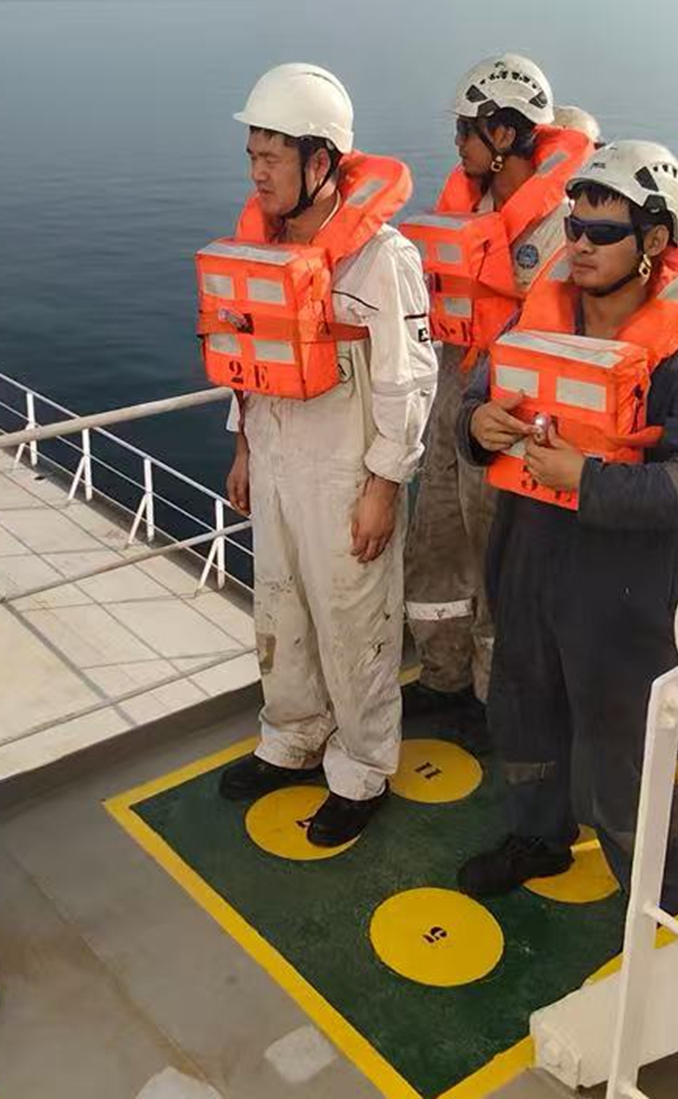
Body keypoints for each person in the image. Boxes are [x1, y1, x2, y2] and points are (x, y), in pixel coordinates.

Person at [454, 140, 678, 898]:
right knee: (523, 711)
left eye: (602, 233)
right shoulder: (534, 326)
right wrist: (476, 427)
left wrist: (591, 481)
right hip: (525, 562)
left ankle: (659, 899)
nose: (578, 244)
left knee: (624, 750)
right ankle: (537, 836)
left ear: (652, 243)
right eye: (574, 227)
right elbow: (472, 401)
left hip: (621, 591)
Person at [210, 64, 437, 846]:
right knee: (279, 607)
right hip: (273, 462)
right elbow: (242, 359)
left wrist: (384, 484)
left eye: (272, 156)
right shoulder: (262, 252)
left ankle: (363, 765)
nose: (257, 172)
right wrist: (242, 447)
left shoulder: (383, 260)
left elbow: (410, 382)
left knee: (352, 625)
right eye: (252, 156)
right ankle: (292, 736)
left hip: (347, 473)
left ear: (321, 162)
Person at [401, 53, 592, 733]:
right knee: (437, 535)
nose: (456, 146)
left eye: (465, 131)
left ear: (504, 133)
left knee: (498, 555)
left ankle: (497, 695)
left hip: (517, 401)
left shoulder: (563, 223)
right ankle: (443, 674)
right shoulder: (473, 205)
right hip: (457, 375)